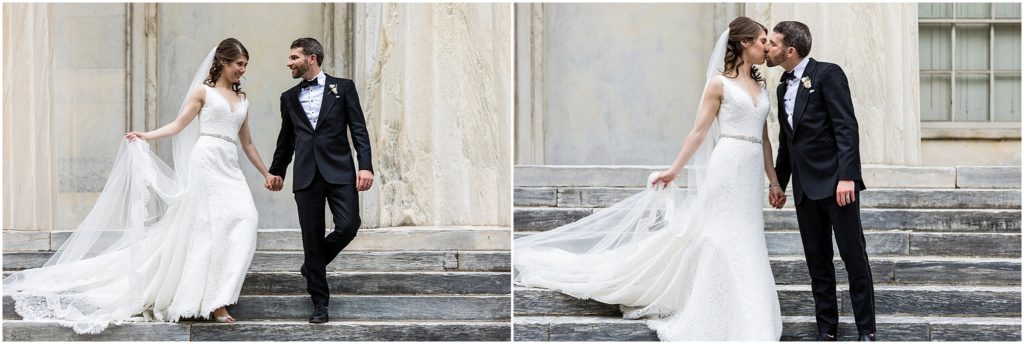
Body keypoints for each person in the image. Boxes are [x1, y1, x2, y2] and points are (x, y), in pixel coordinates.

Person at [513, 17, 783, 341]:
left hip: (751, 169)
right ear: (743, 43)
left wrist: (775, 181)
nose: (767, 47)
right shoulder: (719, 84)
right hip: (727, 166)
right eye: (762, 41)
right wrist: (673, 171)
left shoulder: (762, 85)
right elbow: (698, 133)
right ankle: (718, 310)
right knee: (721, 236)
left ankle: (752, 314)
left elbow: (765, 139)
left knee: (748, 236)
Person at [4, 38, 275, 334]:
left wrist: (266, 173)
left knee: (247, 218)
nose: (242, 70)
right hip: (207, 159)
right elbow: (177, 125)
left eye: (245, 65)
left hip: (229, 162)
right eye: (239, 64)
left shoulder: (243, 100)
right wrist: (146, 136)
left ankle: (220, 292)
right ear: (223, 61)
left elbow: (247, 143)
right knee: (206, 227)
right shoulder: (203, 92)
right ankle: (215, 302)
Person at [766, 20, 876, 341]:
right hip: (804, 191)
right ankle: (826, 330)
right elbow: (788, 142)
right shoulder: (782, 86)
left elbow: (846, 126)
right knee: (818, 264)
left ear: (790, 50)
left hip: (836, 186)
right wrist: (779, 184)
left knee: (854, 259)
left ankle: (866, 331)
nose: (767, 49)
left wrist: (848, 177)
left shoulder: (828, 74)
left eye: (772, 44)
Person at [266, 37, 374, 324]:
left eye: (293, 57)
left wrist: (365, 167)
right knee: (310, 237)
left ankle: (312, 265)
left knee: (349, 225)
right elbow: (285, 140)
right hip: (306, 175)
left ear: (311, 58)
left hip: (340, 171)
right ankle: (319, 304)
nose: (288, 63)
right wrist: (277, 171)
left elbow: (359, 130)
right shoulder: (288, 97)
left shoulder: (344, 87)